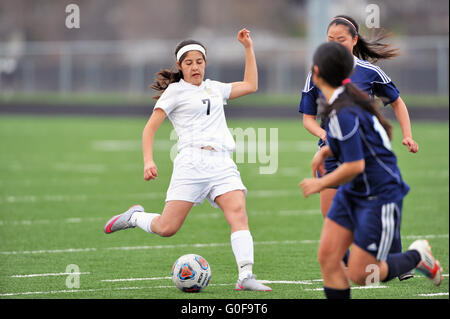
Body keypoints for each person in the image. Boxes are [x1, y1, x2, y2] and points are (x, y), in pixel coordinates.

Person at [103, 29, 271, 292]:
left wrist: (248, 47)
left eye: (199, 61)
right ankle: (135, 217)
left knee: (238, 213)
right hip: (191, 164)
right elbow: (149, 129)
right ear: (180, 66)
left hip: (222, 164)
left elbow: (251, 85)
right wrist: (148, 161)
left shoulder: (215, 88)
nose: (195, 67)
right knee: (167, 228)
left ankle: (246, 275)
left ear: (205, 63)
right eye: (189, 62)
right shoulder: (175, 92)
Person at [299, 41, 443, 299]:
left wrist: (320, 183)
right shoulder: (338, 100)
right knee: (329, 258)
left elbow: (356, 165)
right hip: (354, 190)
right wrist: (326, 149)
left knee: (362, 274)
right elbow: (355, 139)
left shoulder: (342, 108)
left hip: (379, 194)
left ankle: (417, 257)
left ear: (317, 72)